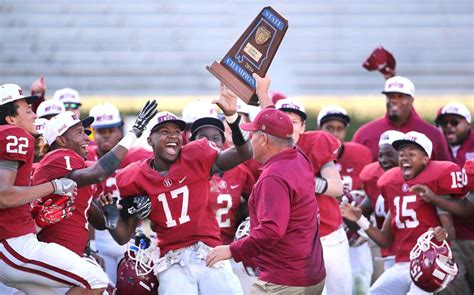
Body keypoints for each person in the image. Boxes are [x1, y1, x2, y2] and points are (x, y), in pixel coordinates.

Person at [111, 83, 253, 294]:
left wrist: (232, 117)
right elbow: (123, 235)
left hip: (209, 252)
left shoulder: (196, 155)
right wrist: (112, 218)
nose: (172, 135)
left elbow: (243, 153)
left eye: (177, 131)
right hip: (172, 259)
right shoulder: (134, 176)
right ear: (150, 140)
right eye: (164, 131)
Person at [31, 100, 157, 294]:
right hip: (54, 255)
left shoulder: (77, 170)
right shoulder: (58, 158)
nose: (87, 137)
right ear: (61, 140)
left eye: (85, 131)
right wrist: (135, 133)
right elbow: (98, 173)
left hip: (75, 254)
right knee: (98, 281)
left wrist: (117, 213)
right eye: (79, 132)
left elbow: (101, 224)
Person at [206, 106, 326, 294]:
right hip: (311, 273)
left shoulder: (274, 177)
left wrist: (231, 250)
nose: (250, 140)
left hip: (285, 280)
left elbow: (270, 231)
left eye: (253, 134)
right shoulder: (299, 156)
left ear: (263, 139)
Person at [0, 83, 105, 294]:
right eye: (28, 110)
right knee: (94, 280)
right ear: (11, 119)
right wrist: (54, 186)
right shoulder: (14, 135)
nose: (34, 115)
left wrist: (37, 221)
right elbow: (3, 195)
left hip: (14, 243)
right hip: (13, 244)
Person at [341, 131, 465, 294]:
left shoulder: (433, 185)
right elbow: (385, 240)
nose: (405, 157)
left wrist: (440, 234)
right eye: (401, 154)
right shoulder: (393, 186)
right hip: (401, 264)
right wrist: (359, 219)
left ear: (425, 159)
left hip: (427, 263)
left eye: (411, 154)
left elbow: (450, 231)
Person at [272, 97, 348, 295]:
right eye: (282, 119)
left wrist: (307, 182)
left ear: (303, 127)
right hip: (292, 241)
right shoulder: (266, 150)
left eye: (294, 121)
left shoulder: (317, 143)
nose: (288, 125)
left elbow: (336, 187)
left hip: (328, 236)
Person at [86, 103, 153, 285]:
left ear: (120, 130)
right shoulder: (85, 157)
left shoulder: (139, 155)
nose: (106, 135)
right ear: (92, 133)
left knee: (137, 288)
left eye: (111, 129)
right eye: (101, 131)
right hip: (99, 234)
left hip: (130, 231)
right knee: (104, 286)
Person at [417, 102, 474, 295]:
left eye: (454, 121)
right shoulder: (432, 151)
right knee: (454, 289)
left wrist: (433, 198)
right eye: (442, 123)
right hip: (452, 234)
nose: (448, 126)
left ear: (468, 124)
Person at [317, 105, 373, 294]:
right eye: (329, 128)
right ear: (320, 130)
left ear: (346, 131)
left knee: (360, 281)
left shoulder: (360, 154)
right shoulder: (312, 155)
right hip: (327, 232)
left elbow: (369, 192)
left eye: (339, 128)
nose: (335, 133)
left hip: (355, 229)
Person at [352, 76, 450, 162]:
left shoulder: (432, 134)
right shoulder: (365, 133)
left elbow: (445, 171)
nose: (394, 100)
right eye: (390, 96)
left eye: (400, 96)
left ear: (411, 100)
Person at [359, 130, 404, 271]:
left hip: (413, 255)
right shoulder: (375, 180)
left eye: (389, 154)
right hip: (388, 255)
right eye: (380, 155)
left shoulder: (416, 181)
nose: (383, 160)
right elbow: (362, 212)